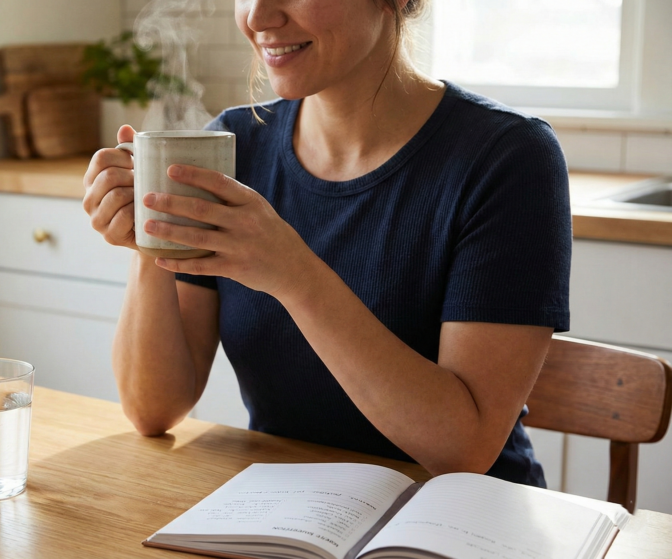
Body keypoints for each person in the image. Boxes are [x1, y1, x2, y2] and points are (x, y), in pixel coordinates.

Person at [81, 0, 570, 487]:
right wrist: (150, 236)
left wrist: (294, 274)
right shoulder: (233, 146)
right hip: (290, 514)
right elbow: (153, 409)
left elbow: (463, 450)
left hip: (462, 519)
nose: (257, 16)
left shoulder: (507, 158)